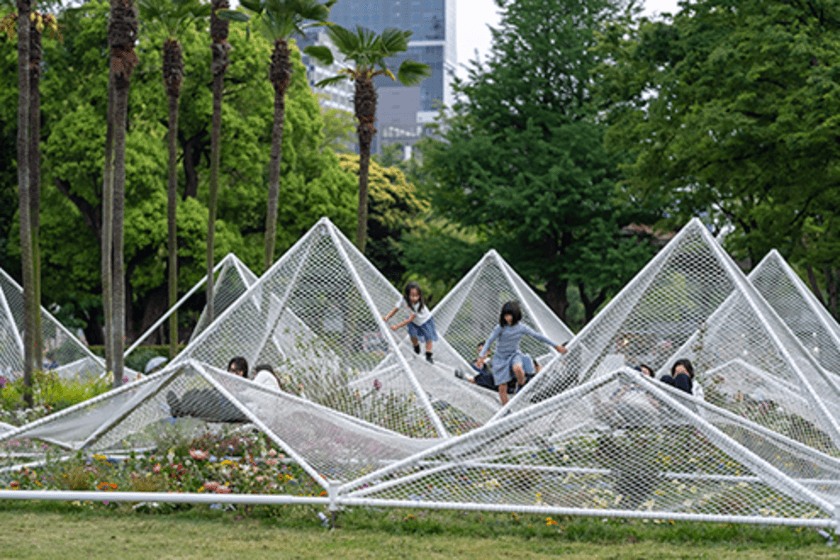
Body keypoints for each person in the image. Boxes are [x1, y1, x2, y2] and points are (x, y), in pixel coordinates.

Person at [476, 301, 567, 405]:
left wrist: (555, 345)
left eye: (509, 315)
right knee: (502, 387)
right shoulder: (500, 327)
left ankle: (521, 385)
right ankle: (506, 410)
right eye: (505, 315)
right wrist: (481, 357)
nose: (507, 318)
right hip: (500, 358)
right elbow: (489, 341)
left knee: (517, 368)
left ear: (515, 315)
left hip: (514, 355)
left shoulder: (521, 327)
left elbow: (538, 336)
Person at [166, 356, 250, 422]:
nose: (233, 374)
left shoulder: (247, 385)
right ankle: (179, 406)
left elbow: (243, 398)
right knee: (196, 393)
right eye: (231, 370)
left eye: (237, 371)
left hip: (228, 408)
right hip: (218, 402)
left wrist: (229, 389)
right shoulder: (227, 379)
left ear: (244, 371)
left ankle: (179, 410)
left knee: (207, 396)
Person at [383, 281, 438, 364]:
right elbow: (396, 309)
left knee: (429, 338)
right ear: (407, 295)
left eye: (417, 296)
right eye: (412, 295)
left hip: (425, 321)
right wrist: (387, 317)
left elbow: (409, 319)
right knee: (412, 335)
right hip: (414, 321)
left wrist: (397, 326)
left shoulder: (417, 305)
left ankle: (429, 355)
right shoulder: (403, 300)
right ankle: (416, 347)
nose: (415, 298)